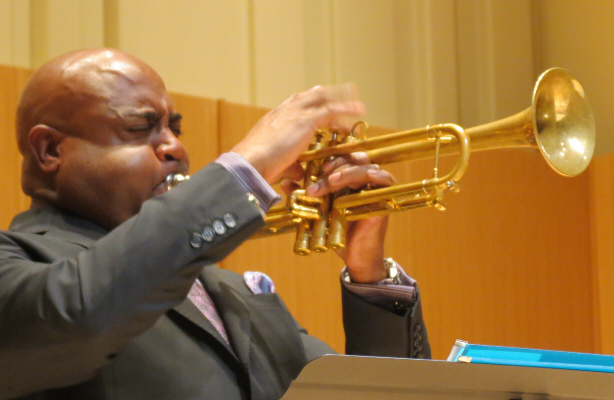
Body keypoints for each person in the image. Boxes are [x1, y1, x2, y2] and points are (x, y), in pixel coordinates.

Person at [0, 48, 430, 400]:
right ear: (49, 149)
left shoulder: (235, 295)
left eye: (174, 128)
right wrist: (248, 167)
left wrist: (369, 272)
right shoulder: (19, 263)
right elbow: (83, 314)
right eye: (139, 127)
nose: (174, 147)